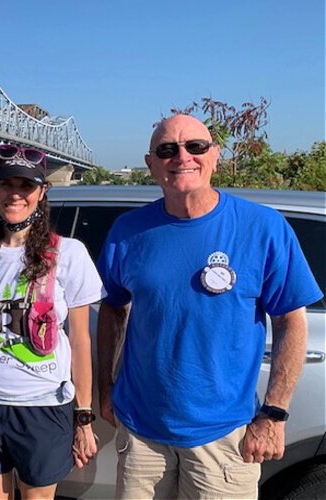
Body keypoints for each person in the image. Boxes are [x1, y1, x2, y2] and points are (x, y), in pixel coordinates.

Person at [96, 114, 324, 499]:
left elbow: (290, 322)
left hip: (223, 435)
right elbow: (113, 309)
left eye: (195, 146)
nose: (181, 156)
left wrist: (274, 413)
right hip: (140, 432)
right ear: (151, 164)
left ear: (214, 156)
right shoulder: (128, 231)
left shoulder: (263, 228)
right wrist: (105, 388)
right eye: (167, 149)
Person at [0, 144, 106, 499]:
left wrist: (83, 417)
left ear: (42, 192)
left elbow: (80, 341)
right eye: (6, 184)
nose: (15, 194)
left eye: (26, 185)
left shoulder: (68, 253)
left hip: (41, 403)